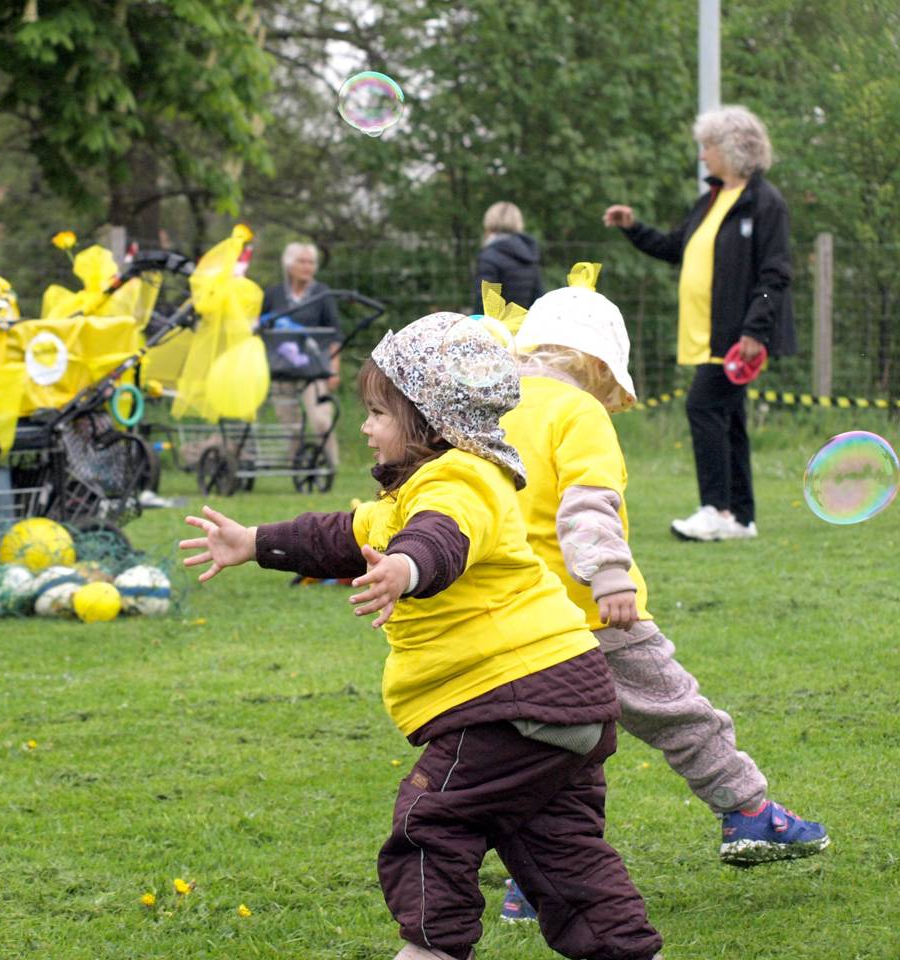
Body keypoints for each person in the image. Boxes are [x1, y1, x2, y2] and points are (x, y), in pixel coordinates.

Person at [181, 312, 664, 960]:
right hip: (566, 693)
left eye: (379, 413)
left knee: (431, 821)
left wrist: (406, 569)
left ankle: (431, 950)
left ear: (432, 423)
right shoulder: (412, 495)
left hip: (508, 699)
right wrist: (255, 542)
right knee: (563, 856)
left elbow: (442, 536)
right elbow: (338, 534)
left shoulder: (460, 479)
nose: (365, 427)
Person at [496, 274, 828, 925]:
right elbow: (587, 502)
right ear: (597, 366)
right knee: (681, 715)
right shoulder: (578, 412)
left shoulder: (494, 412)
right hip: (595, 614)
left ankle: (530, 883)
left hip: (518, 624)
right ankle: (748, 812)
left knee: (549, 756)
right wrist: (609, 574)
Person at [603, 104, 794, 542]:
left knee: (702, 407)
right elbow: (675, 247)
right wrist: (634, 228)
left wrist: (755, 330)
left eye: (708, 146)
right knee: (730, 417)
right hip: (704, 334)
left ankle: (716, 509)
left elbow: (776, 274)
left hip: (735, 337)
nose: (703, 155)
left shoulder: (766, 203)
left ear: (735, 148)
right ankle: (741, 517)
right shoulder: (709, 200)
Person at [261, 242, 342, 468]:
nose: (308, 267)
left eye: (311, 262)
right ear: (289, 265)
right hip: (281, 369)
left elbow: (335, 335)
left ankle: (330, 465)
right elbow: (260, 328)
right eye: (302, 262)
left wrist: (333, 369)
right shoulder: (274, 294)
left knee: (321, 420)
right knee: (290, 425)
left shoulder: (322, 294)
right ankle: (295, 465)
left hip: (314, 370)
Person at [471, 201, 545, 315]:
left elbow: (484, 302)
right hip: (524, 323)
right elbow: (538, 297)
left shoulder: (489, 256)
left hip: (497, 324)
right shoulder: (528, 254)